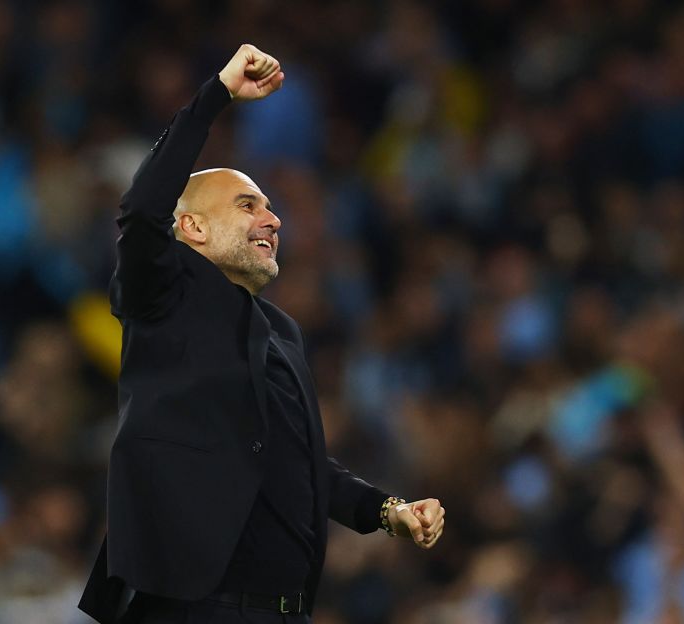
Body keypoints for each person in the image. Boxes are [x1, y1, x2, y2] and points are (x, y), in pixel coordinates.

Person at [79, 45, 446, 624]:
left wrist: (383, 511)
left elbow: (299, 463)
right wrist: (215, 95)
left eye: (271, 209)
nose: (272, 220)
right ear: (192, 227)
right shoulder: (162, 300)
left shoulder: (281, 331)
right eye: (248, 205)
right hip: (190, 610)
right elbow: (142, 211)